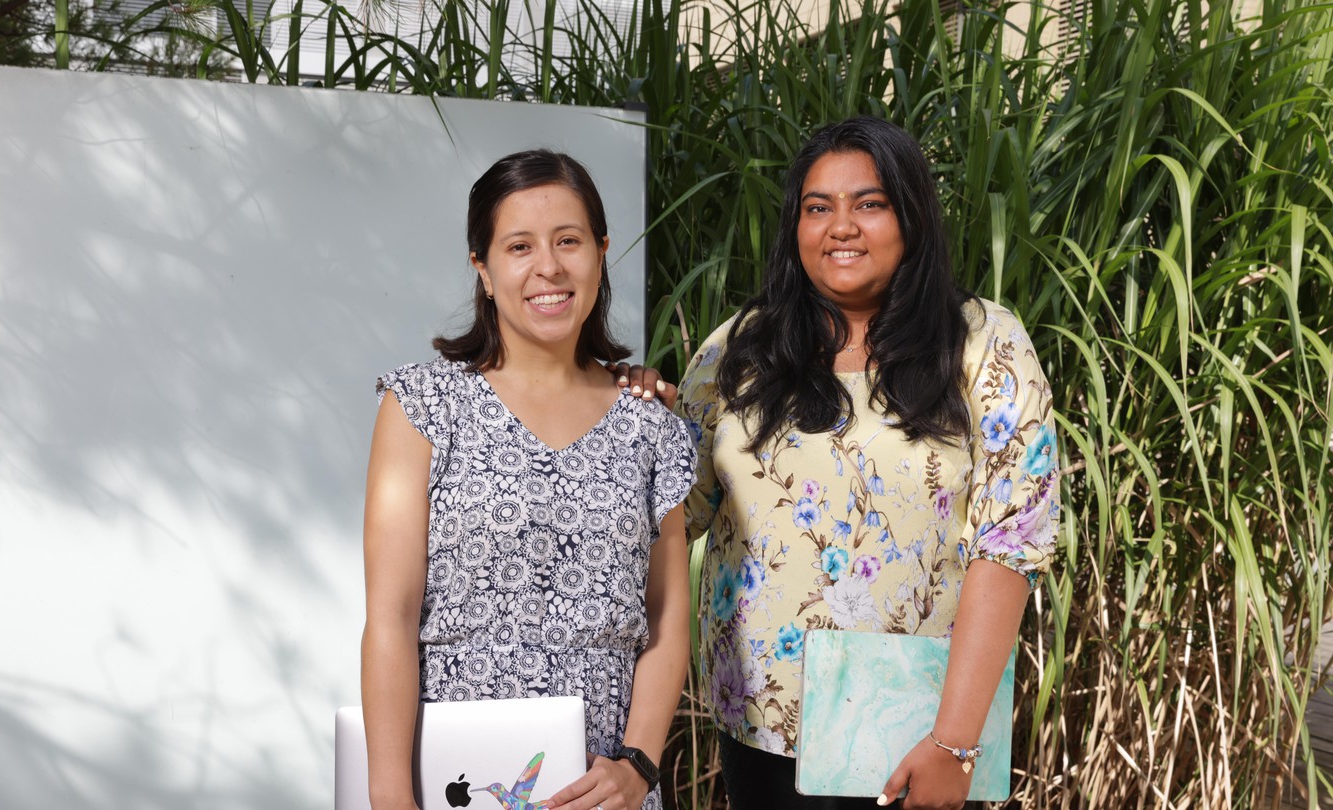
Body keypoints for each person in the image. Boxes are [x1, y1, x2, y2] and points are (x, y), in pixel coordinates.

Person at [667, 116, 1060, 809]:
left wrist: (953, 743)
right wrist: (612, 401)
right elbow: (675, 509)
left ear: (910, 216)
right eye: (818, 207)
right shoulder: (740, 348)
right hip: (758, 727)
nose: (840, 226)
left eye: (868, 204)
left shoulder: (982, 343)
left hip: (911, 738)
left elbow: (1010, 545)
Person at [359, 149, 695, 810]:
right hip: (455, 778)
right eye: (519, 246)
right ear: (483, 269)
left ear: (601, 252)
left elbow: (668, 613)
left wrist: (639, 765)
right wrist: (391, 798)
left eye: (568, 241)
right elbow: (390, 620)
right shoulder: (423, 407)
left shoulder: (649, 421)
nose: (549, 266)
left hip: (607, 785)